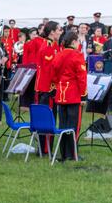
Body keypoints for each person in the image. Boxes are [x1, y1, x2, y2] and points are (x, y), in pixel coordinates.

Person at [51, 32, 87, 161]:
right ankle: (72, 154)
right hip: (73, 94)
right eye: (77, 41)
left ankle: (64, 153)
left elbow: (54, 74)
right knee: (74, 126)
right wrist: (83, 95)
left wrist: (58, 84)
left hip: (61, 94)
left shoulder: (58, 55)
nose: (79, 44)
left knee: (63, 125)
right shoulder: (77, 55)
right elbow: (81, 77)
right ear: (73, 42)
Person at [35, 21, 62, 154]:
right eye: (58, 30)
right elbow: (50, 71)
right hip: (48, 90)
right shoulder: (47, 48)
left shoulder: (53, 46)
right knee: (48, 120)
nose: (60, 32)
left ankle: (46, 148)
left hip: (50, 89)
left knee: (49, 119)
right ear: (52, 32)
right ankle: (45, 149)